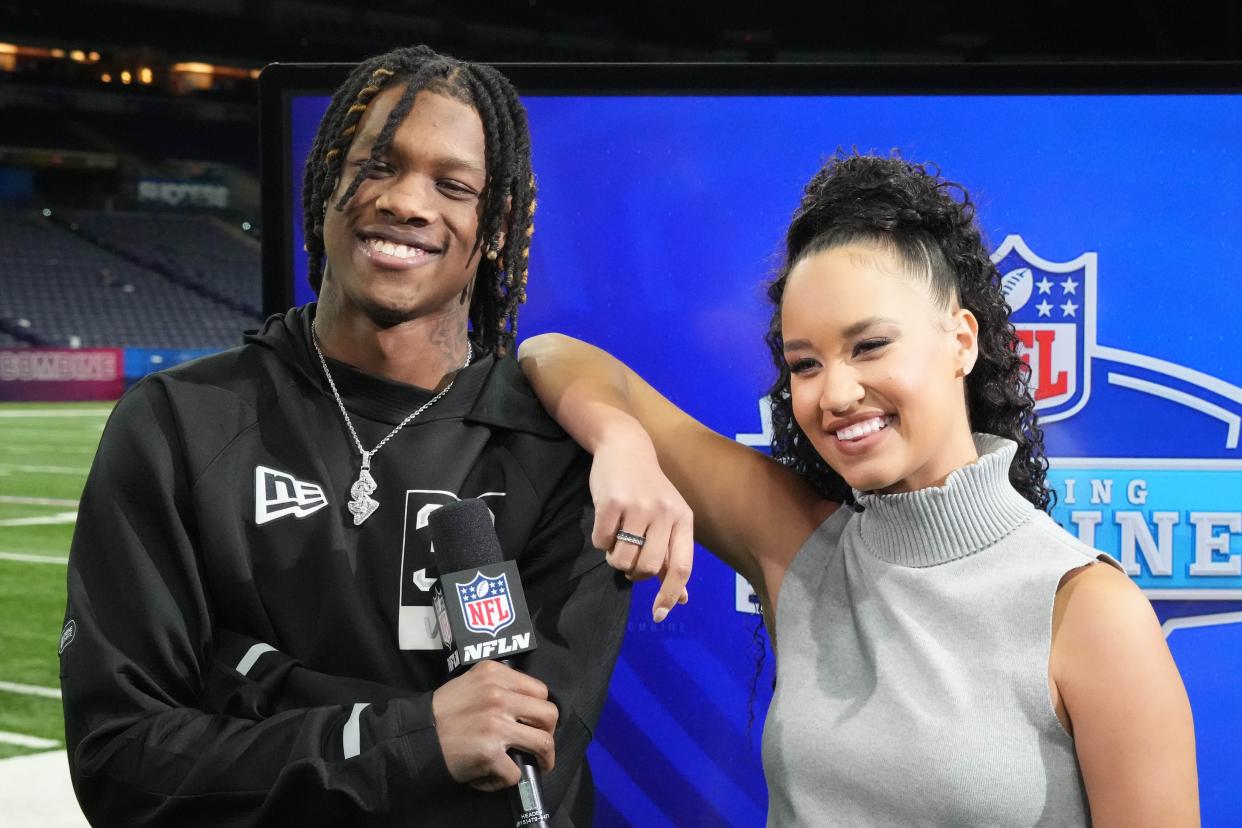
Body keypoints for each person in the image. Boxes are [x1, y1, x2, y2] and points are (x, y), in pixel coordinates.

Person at [518, 153, 1199, 825]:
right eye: (805, 363)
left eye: (869, 346)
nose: (835, 393)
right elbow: (549, 354)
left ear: (962, 340)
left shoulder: (1089, 611)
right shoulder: (804, 549)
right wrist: (623, 445)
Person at [60, 45, 629, 827]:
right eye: (377, 165)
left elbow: (525, 787)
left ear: (493, 226)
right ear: (325, 179)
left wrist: (255, 684)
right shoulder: (175, 425)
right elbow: (124, 763)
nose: (406, 202)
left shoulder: (564, 458)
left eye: (453, 185)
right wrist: (413, 732)